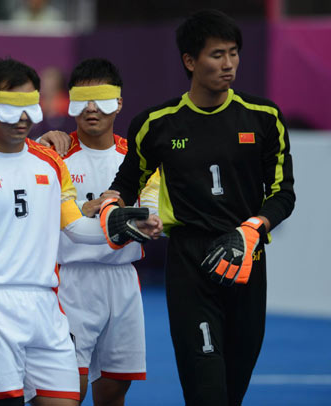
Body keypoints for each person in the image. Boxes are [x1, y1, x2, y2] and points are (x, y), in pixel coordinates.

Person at [0, 57, 161, 406]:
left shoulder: (50, 163)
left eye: (29, 106)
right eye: (12, 107)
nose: (23, 117)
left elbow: (75, 227)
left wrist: (120, 225)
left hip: (46, 306)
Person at [108, 9, 295, 405]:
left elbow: (283, 194)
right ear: (190, 61)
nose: (228, 65)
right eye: (216, 55)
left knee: (232, 391)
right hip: (189, 265)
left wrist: (252, 229)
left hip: (248, 260)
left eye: (233, 53)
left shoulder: (264, 117)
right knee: (206, 390)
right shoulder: (156, 124)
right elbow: (123, 187)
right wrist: (115, 212)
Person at [45, 57, 162, 406]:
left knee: (113, 394)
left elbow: (156, 214)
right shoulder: (52, 154)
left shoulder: (137, 158)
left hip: (123, 281)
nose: (92, 109)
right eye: (83, 101)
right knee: (66, 393)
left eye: (102, 100)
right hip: (69, 282)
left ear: (120, 103)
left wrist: (154, 224)